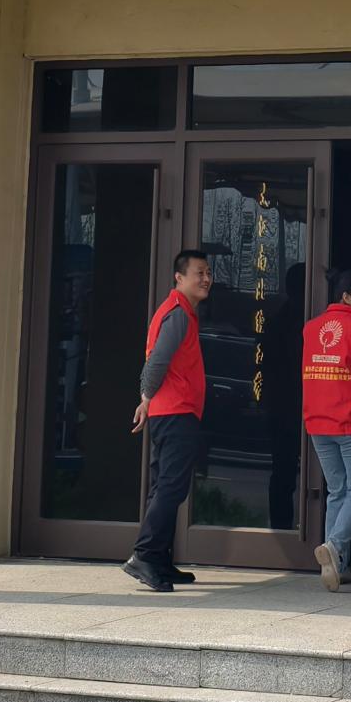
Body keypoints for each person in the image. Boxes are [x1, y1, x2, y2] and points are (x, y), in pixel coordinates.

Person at [124, 249, 212, 594]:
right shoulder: (177, 313)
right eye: (199, 273)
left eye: (208, 273)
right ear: (179, 277)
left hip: (172, 411)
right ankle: (145, 555)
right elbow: (158, 359)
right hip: (176, 412)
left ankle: (158, 559)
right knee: (171, 486)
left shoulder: (181, 310)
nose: (206, 279)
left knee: (165, 486)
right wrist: (146, 396)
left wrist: (148, 400)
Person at [302, 268, 351, 592]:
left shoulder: (310, 328)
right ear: (346, 296)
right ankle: (333, 547)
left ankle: (337, 566)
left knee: (337, 490)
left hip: (317, 421)